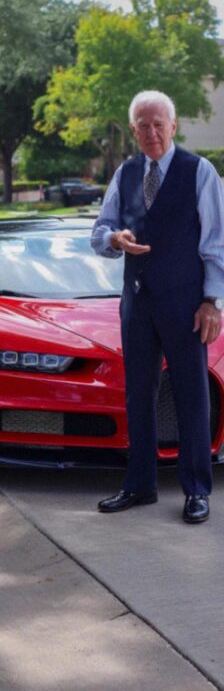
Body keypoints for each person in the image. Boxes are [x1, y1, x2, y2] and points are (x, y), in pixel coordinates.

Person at [91, 90, 224, 524]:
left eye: (159, 124)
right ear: (134, 130)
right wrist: (115, 240)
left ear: (174, 125)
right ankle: (139, 485)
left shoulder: (199, 171)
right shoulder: (126, 173)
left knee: (191, 394)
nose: (152, 133)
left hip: (186, 302)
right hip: (137, 302)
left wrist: (212, 302)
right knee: (138, 395)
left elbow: (217, 243)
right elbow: (101, 229)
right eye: (143, 126)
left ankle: (196, 490)